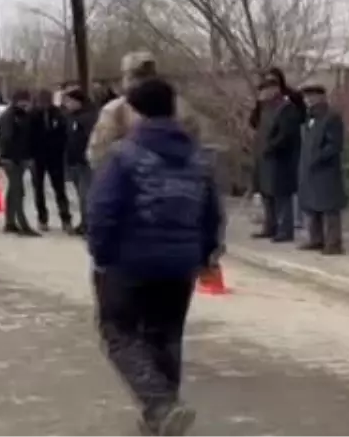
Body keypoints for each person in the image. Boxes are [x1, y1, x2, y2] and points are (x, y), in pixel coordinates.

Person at [87, 77, 223, 437]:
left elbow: (103, 211)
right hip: (181, 265)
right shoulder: (197, 157)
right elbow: (212, 213)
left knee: (118, 334)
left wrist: (100, 255)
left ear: (134, 111)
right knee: (166, 336)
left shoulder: (124, 155)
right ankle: (161, 418)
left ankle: (162, 405)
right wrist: (207, 254)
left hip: (129, 263)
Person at [87, 52, 203, 168]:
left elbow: (99, 154)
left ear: (126, 78)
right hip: (175, 176)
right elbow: (193, 144)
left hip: (132, 178)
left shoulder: (114, 110)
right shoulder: (180, 105)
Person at [297, 84, 346, 255]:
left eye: (312, 97)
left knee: (329, 207)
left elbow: (334, 145)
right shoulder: (310, 117)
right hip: (310, 168)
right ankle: (316, 239)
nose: (308, 100)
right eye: (306, 97)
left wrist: (318, 157)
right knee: (312, 204)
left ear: (321, 97)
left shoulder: (331, 117)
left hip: (326, 169)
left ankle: (334, 243)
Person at [251, 77, 303, 243]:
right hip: (265, 158)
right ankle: (270, 226)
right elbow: (256, 126)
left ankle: (285, 230)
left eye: (264, 90)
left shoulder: (286, 109)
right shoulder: (266, 109)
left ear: (274, 90)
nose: (261, 94)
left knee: (281, 195)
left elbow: (286, 134)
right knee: (267, 194)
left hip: (281, 159)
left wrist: (271, 146)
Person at [0, 89, 40, 237]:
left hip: (18, 158)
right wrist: (14, 157)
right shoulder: (9, 117)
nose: (27, 103)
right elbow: (8, 139)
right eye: (25, 101)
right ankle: (23, 225)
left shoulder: (21, 115)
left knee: (14, 191)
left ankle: (10, 222)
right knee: (18, 191)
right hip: (12, 159)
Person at [29, 89, 71, 233]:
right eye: (42, 101)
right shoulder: (33, 115)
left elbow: (64, 135)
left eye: (47, 101)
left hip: (55, 157)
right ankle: (42, 218)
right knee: (38, 189)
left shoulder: (58, 114)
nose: (45, 104)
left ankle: (66, 219)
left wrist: (61, 151)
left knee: (59, 189)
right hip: (37, 157)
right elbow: (27, 136)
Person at [63, 87, 98, 234]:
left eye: (70, 101)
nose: (67, 105)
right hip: (74, 161)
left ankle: (89, 224)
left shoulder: (89, 117)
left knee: (86, 195)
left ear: (78, 102)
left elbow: (91, 139)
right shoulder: (71, 117)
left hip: (86, 162)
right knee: (80, 195)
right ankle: (84, 222)